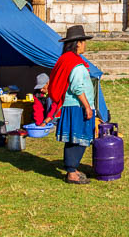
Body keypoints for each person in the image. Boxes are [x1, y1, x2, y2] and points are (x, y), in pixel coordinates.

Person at [48, 25, 96, 185]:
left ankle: (73, 168)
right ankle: (71, 173)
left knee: (74, 139)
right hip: (77, 107)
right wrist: (87, 106)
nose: (85, 45)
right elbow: (76, 87)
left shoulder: (68, 60)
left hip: (74, 106)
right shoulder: (73, 63)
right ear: (77, 43)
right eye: (83, 42)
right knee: (78, 139)